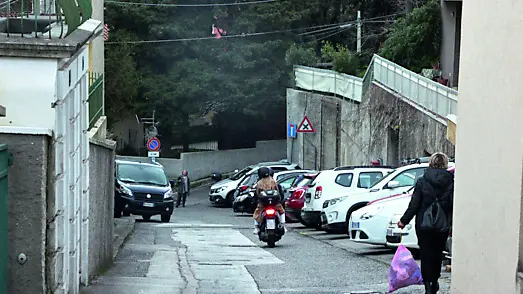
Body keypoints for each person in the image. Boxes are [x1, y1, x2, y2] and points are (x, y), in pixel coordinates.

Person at [397, 152, 454, 294]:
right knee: (437, 253)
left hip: (424, 224)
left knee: (426, 254)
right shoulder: (451, 181)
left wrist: (404, 221)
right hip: (442, 224)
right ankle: (434, 281)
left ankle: (428, 284)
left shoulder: (422, 181)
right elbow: (453, 204)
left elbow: (414, 204)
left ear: (431, 162)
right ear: (445, 164)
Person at [252, 167, 286, 234]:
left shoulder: (259, 183)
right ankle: (283, 225)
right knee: (281, 211)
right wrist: (279, 199)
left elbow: (257, 193)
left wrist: (256, 200)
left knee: (257, 213)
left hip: (263, 204)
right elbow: (278, 191)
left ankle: (256, 228)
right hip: (274, 203)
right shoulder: (273, 181)